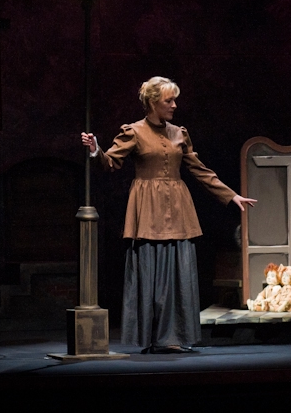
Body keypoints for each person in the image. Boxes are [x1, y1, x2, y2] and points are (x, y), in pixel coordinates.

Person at [81, 76, 256, 354]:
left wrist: (230, 195)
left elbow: (199, 170)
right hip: (147, 210)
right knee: (150, 272)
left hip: (178, 209)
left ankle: (174, 336)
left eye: (175, 100)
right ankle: (154, 336)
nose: (174, 105)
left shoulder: (179, 133)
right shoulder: (134, 132)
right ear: (153, 102)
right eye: (169, 100)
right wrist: (95, 150)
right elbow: (110, 162)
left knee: (178, 272)